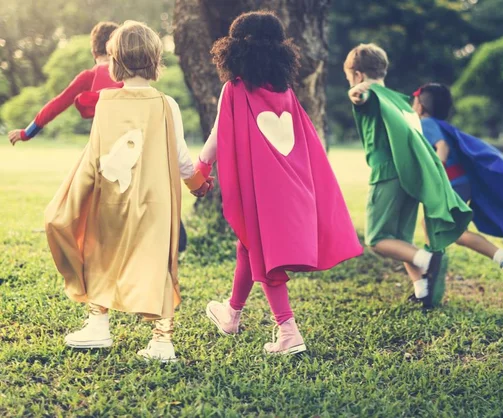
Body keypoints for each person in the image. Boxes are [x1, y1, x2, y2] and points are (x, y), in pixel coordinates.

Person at [44, 21, 211, 362]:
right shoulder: (167, 105)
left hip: (111, 199)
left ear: (114, 60)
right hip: (156, 206)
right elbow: (181, 160)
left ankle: (97, 326)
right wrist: (198, 185)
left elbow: (95, 155)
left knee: (99, 255)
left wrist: (76, 196)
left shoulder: (105, 101)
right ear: (155, 60)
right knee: (157, 265)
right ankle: (162, 341)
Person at [198, 11, 363, 355]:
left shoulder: (235, 88)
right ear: (280, 52)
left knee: (261, 250)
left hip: (264, 190)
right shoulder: (285, 91)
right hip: (294, 187)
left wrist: (200, 167)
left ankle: (288, 331)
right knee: (248, 245)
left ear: (233, 50)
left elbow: (218, 135)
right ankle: (231, 313)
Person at [345, 44, 472, 308]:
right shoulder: (402, 100)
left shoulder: (371, 95)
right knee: (401, 240)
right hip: (410, 175)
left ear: (357, 74)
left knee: (378, 240)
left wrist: (357, 93)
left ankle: (428, 260)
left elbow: (361, 97)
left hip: (387, 175)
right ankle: (422, 290)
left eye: (349, 78)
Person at [413, 83, 503, 288]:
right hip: (459, 183)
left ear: (421, 106)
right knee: (432, 226)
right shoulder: (437, 123)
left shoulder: (426, 123)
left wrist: (436, 176)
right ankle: (432, 271)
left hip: (451, 183)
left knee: (454, 232)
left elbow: (442, 148)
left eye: (414, 100)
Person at [7, 22, 123, 145]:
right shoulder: (129, 73)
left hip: (104, 142)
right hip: (135, 138)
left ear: (93, 52)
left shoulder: (89, 76)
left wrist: (27, 133)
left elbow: (57, 104)